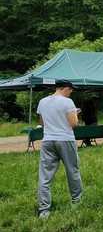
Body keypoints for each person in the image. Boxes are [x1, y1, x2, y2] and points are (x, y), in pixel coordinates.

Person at [36, 80, 82, 219]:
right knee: (72, 171)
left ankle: (44, 210)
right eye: (71, 89)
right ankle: (76, 202)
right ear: (65, 88)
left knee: (45, 175)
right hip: (65, 139)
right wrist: (76, 113)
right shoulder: (68, 102)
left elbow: (41, 123)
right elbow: (73, 123)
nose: (71, 92)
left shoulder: (42, 101)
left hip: (48, 140)